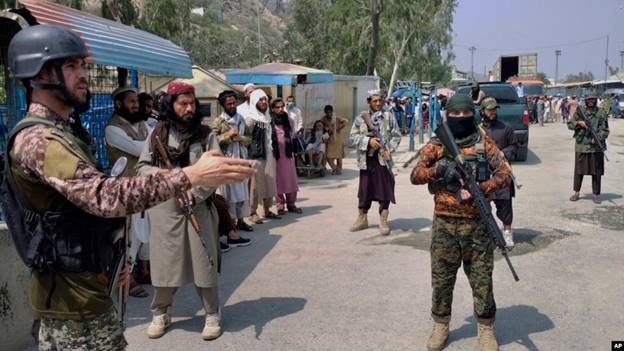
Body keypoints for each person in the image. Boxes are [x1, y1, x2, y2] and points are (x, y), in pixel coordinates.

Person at [5, 24, 254, 350]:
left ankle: (211, 312)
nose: (83, 75)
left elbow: (77, 211)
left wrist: (108, 263)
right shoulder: (39, 140)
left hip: (88, 289)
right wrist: (190, 176)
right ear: (39, 74)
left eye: (82, 65)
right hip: (72, 301)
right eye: (70, 66)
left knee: (204, 268)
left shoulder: (64, 132)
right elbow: (105, 197)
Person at [137, 82, 241, 341]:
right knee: (164, 265)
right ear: (170, 105)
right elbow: (142, 169)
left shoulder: (206, 134)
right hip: (165, 210)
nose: (189, 108)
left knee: (203, 262)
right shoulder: (157, 134)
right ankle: (160, 312)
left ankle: (211, 313)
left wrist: (196, 193)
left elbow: (217, 170)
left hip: (198, 207)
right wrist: (167, 176)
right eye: (182, 103)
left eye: (192, 103)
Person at [410, 93, 511, 351]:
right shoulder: (437, 144)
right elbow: (415, 174)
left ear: (473, 114)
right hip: (445, 224)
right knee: (442, 280)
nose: (461, 119)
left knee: (482, 280)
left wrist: (482, 186)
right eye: (455, 115)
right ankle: (441, 325)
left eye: (466, 115)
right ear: (448, 115)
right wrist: (439, 171)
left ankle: (486, 328)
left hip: (477, 226)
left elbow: (505, 174)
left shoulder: (484, 144)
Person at [105, 86, 152, 295]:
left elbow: (153, 142)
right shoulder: (112, 129)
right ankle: (127, 279)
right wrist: (149, 143)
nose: (136, 105)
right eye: (131, 101)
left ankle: (143, 270)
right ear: (118, 104)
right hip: (126, 189)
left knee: (145, 231)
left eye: (136, 101)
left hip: (145, 186)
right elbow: (142, 148)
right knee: (130, 235)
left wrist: (149, 142)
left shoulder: (141, 124)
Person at [349, 90, 401, 236]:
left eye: (380, 100)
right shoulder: (360, 118)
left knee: (385, 190)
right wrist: (368, 141)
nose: (378, 103)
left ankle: (383, 220)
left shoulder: (389, 116)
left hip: (383, 161)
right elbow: (352, 137)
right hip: (366, 160)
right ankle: (362, 218)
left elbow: (396, 135)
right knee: (365, 191)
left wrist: (388, 149)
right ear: (369, 102)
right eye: (374, 101)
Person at [213, 90, 255, 235]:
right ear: (223, 105)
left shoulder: (241, 119)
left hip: (241, 158)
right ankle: (230, 224)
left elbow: (249, 139)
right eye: (229, 103)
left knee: (242, 190)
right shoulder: (219, 121)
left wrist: (240, 139)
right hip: (227, 160)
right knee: (229, 193)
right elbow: (212, 140)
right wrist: (227, 136)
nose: (232, 105)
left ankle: (241, 220)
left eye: (234, 103)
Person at [480, 97, 518, 249]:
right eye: (489, 109)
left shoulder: (506, 128)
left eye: (494, 109)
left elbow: (515, 146)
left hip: (502, 173)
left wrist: (504, 153)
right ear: (482, 111)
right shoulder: (478, 130)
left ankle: (507, 233)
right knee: (483, 205)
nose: (493, 112)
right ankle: (487, 234)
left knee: (505, 205)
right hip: (484, 174)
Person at [567, 92, 610, 204]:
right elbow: (570, 125)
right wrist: (579, 123)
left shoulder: (601, 113)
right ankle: (576, 192)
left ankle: (596, 194)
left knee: (596, 171)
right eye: (589, 99)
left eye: (593, 99)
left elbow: (605, 130)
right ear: (585, 100)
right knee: (578, 171)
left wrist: (598, 138)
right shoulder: (579, 112)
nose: (591, 101)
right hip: (581, 146)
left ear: (596, 100)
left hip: (595, 148)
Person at [245, 89, 280, 222]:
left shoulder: (269, 117)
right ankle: (252, 212)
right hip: (256, 155)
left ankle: (267, 210)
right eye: (260, 99)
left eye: (265, 99)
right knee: (254, 184)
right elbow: (246, 139)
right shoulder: (250, 120)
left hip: (270, 153)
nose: (264, 102)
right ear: (254, 101)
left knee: (269, 182)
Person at [271, 98, 303, 214]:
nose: (280, 109)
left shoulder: (289, 120)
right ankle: (280, 205)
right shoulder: (270, 121)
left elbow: (291, 133)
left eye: (281, 107)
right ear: (273, 109)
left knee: (290, 178)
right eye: (277, 107)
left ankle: (291, 203)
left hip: (288, 154)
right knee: (278, 180)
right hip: (276, 155)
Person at [321, 105, 349, 175]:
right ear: (325, 113)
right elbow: (321, 126)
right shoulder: (323, 119)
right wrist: (327, 129)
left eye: (330, 112)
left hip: (338, 139)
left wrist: (338, 128)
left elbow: (346, 121)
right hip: (330, 139)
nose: (329, 114)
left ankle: (339, 169)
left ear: (332, 112)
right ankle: (334, 168)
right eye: (327, 112)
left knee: (339, 156)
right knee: (328, 156)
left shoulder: (336, 118)